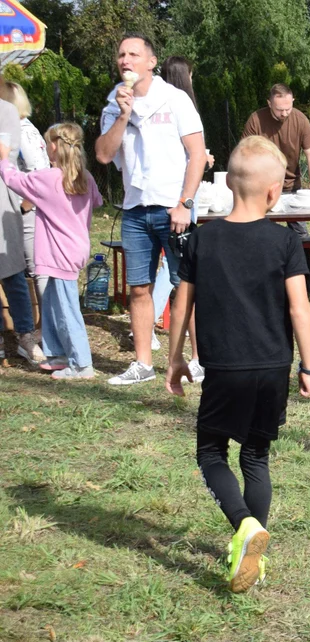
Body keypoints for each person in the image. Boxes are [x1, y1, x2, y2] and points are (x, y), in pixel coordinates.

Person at [166, 136, 310, 593]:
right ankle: (253, 551)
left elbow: (181, 306)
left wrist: (174, 360)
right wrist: (308, 366)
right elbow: (300, 310)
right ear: (275, 193)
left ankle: (244, 527)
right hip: (273, 367)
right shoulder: (287, 241)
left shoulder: (201, 239)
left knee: (211, 453)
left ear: (228, 182)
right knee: (256, 454)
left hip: (225, 368)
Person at [95, 33, 207, 386]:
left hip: (172, 207)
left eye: (133, 54)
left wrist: (185, 203)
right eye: (121, 55)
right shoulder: (115, 102)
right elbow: (102, 154)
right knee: (139, 288)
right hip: (134, 209)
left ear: (150, 62)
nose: (125, 60)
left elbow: (198, 154)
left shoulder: (173, 99)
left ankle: (199, 360)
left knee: (185, 284)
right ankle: (143, 363)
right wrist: (122, 115)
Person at [0, 123, 102, 378]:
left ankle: (82, 364)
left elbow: (14, 179)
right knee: (53, 304)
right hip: (75, 248)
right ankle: (57, 354)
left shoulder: (47, 178)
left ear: (53, 147)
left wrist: (3, 158)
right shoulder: (85, 177)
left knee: (67, 308)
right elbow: (98, 201)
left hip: (58, 253)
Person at [143, 56, 213, 373]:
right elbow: (186, 153)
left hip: (173, 199)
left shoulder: (168, 103)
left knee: (171, 272)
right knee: (184, 276)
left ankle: (156, 325)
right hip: (180, 199)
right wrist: (187, 198)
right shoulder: (177, 102)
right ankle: (196, 355)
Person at [241, 83, 310, 296]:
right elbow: (245, 153)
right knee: (258, 233)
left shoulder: (300, 119)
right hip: (262, 187)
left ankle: (308, 277)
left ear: (293, 101)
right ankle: (259, 279)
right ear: (269, 104)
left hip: (293, 188)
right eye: (279, 110)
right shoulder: (256, 120)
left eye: (288, 108)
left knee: (301, 234)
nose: (284, 113)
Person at [0, 91, 44, 365]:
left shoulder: (8, 115)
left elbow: (9, 157)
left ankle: (26, 336)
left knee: (13, 272)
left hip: (5, 204)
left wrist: (26, 204)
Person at [1, 82, 50, 302]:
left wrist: (24, 207)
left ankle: (47, 324)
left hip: (28, 210)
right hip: (22, 207)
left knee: (36, 267)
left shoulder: (22, 132)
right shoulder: (22, 128)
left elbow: (39, 174)